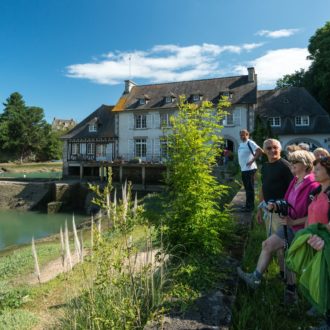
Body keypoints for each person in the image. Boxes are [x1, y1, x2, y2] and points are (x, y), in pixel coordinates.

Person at [237, 150, 318, 303]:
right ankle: (255, 279)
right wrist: (275, 206)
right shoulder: (295, 181)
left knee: (291, 259)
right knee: (267, 245)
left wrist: (293, 222)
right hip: (288, 225)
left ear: (306, 164)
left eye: (295, 162)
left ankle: (294, 292)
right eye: (292, 161)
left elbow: (314, 214)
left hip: (301, 229)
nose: (292, 164)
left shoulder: (313, 185)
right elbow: (287, 201)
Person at [286, 156, 330, 329]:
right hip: (311, 240)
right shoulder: (316, 191)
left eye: (318, 169)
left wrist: (322, 237)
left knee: (326, 279)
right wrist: (303, 235)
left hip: (324, 243)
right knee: (316, 277)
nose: (314, 172)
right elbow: (310, 216)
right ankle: (320, 308)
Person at [237, 129, 263, 212]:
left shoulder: (250, 142)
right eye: (241, 135)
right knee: (247, 188)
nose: (242, 136)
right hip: (244, 169)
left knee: (249, 188)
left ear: (247, 135)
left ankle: (250, 207)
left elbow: (260, 151)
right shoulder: (241, 144)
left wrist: (252, 160)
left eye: (243, 135)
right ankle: (248, 205)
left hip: (250, 169)